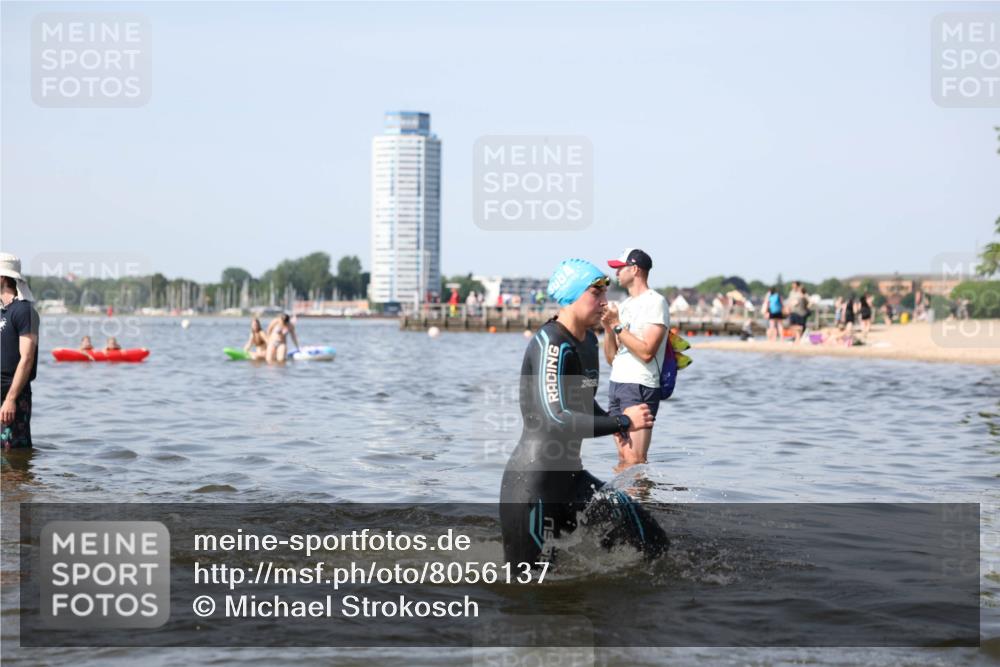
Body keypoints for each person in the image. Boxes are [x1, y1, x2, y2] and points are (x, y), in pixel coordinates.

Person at [499, 259, 666, 566]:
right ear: (571, 296)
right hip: (534, 487)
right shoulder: (551, 344)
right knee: (530, 584)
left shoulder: (589, 341)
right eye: (595, 293)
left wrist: (619, 426)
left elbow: (584, 404)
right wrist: (622, 420)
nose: (604, 301)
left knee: (654, 544)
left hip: (572, 480)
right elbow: (556, 418)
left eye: (605, 293)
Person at [601, 248, 669, 471]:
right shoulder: (625, 305)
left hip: (639, 385)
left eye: (620, 268)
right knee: (623, 458)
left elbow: (647, 352)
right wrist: (608, 328)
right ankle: (626, 496)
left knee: (635, 460)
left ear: (635, 269)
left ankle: (643, 494)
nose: (616, 273)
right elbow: (612, 358)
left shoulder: (655, 302)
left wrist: (616, 325)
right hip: (617, 384)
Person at [0, 253, 39, 451]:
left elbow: (27, 358)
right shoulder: (2, 311)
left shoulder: (24, 311)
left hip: (12, 394)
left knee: (12, 455)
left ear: (2, 278)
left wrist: (10, 399)